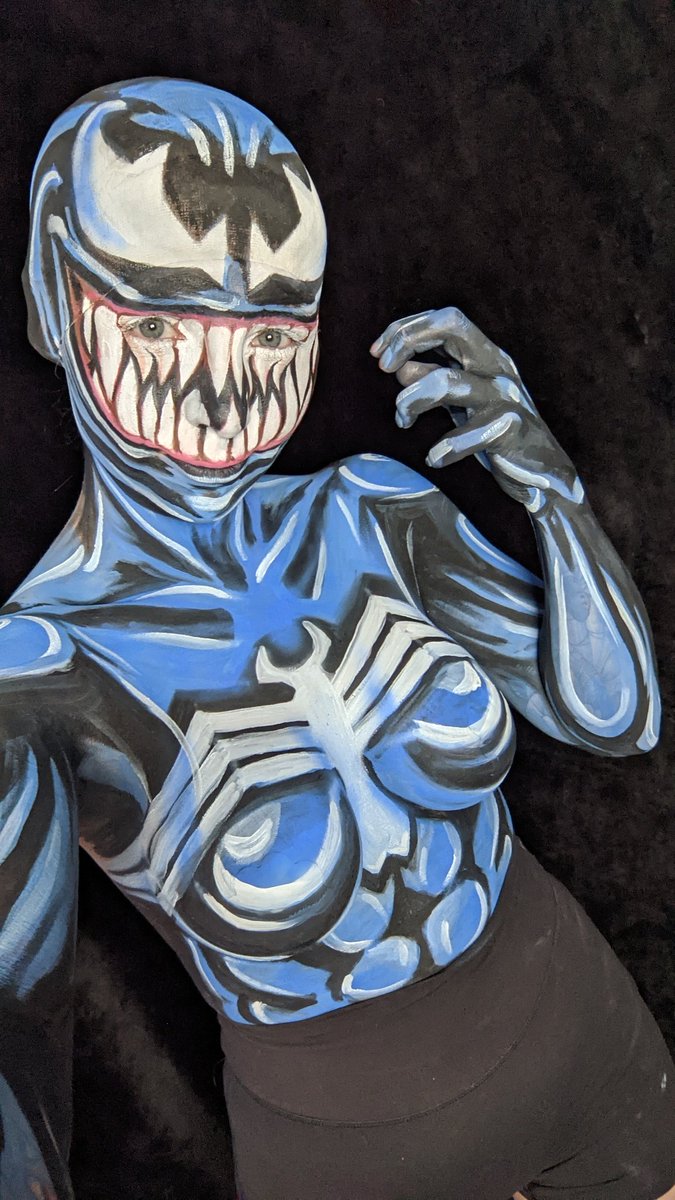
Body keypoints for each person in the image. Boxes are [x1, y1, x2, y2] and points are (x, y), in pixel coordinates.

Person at [0, 76, 673, 1200]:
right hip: (348, 1151)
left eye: (271, 330)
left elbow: (619, 719)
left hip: (586, 1036)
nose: (223, 391)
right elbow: (16, 1050)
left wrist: (552, 494)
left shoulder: (370, 510)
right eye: (157, 322)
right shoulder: (40, 671)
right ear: (50, 294)